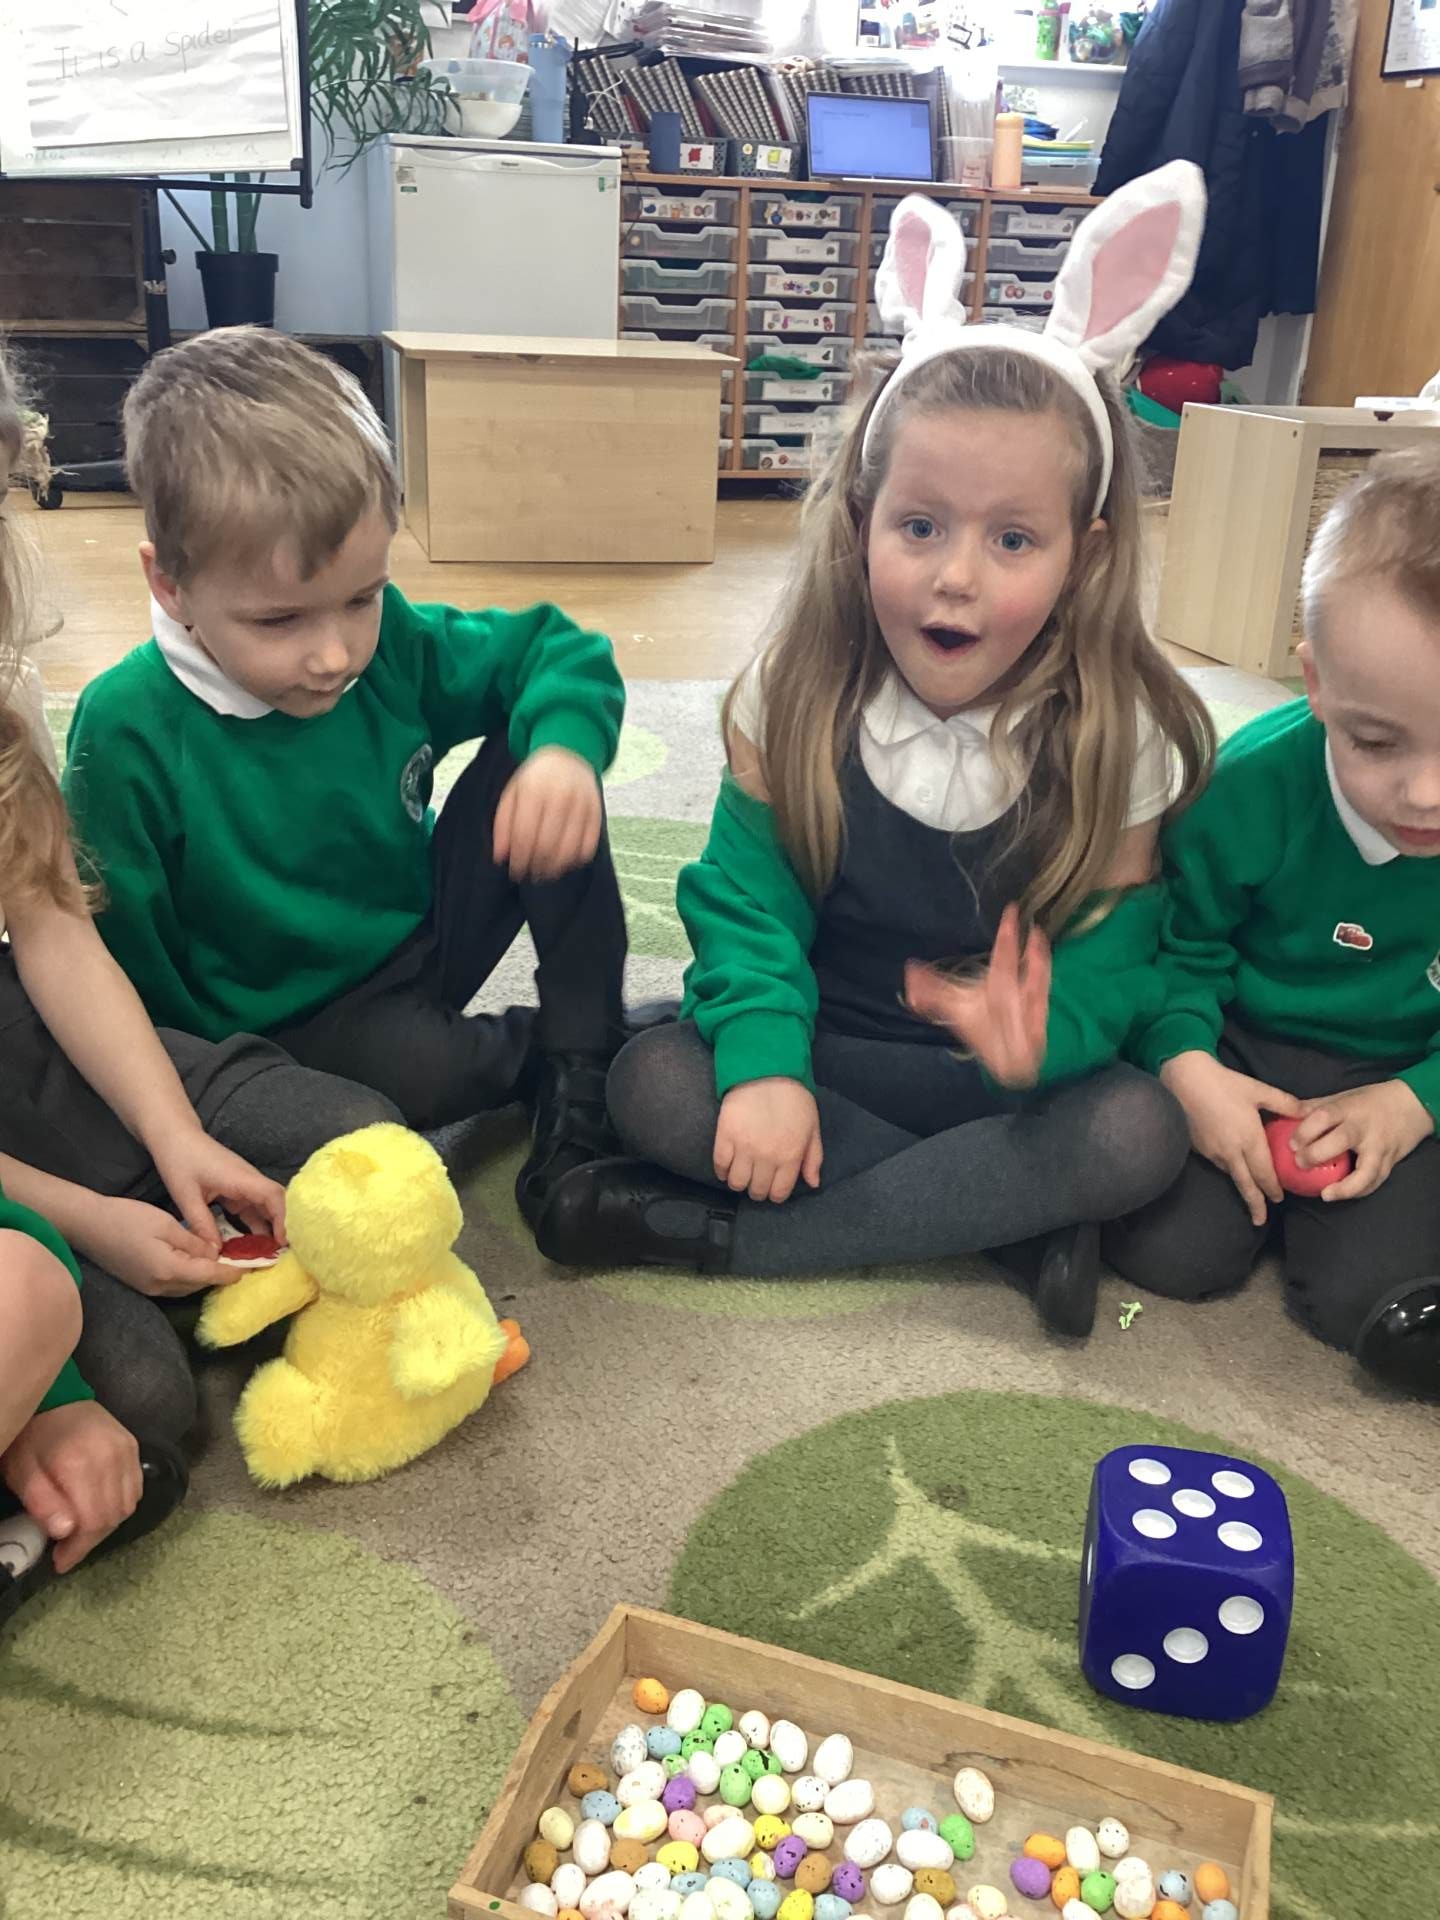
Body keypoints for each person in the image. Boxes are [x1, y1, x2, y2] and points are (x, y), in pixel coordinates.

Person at [536, 165, 1214, 1336]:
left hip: (1005, 1085)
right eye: (920, 526)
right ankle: (1000, 1219)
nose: (956, 576)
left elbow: (1118, 955)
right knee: (659, 1083)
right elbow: (745, 907)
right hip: (827, 1045)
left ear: (1088, 556)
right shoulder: (795, 693)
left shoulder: (1125, 735)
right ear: (861, 525)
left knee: (1137, 1132)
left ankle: (741, 1240)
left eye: (1013, 540)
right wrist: (764, 1065)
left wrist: (1046, 1036)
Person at [61, 328, 630, 1233]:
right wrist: (206, 1103)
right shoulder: (127, 726)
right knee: (410, 1090)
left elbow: (554, 649)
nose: (335, 655)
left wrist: (565, 754)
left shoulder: (389, 640)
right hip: (297, 1017)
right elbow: (126, 958)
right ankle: (558, 1050)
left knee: (543, 758)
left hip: (421, 926)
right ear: (169, 586)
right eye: (279, 620)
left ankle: (588, 1043)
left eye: (361, 598)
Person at [1106, 446, 1440, 1398]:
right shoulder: (1247, 787)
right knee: (1172, 1252)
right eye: (1376, 741)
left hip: (1403, 1066)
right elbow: (1176, 951)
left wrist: (1415, 1101)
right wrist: (1189, 1065)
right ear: (1316, 683)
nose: (1425, 794)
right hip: (1241, 1045)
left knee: (1367, 1300)